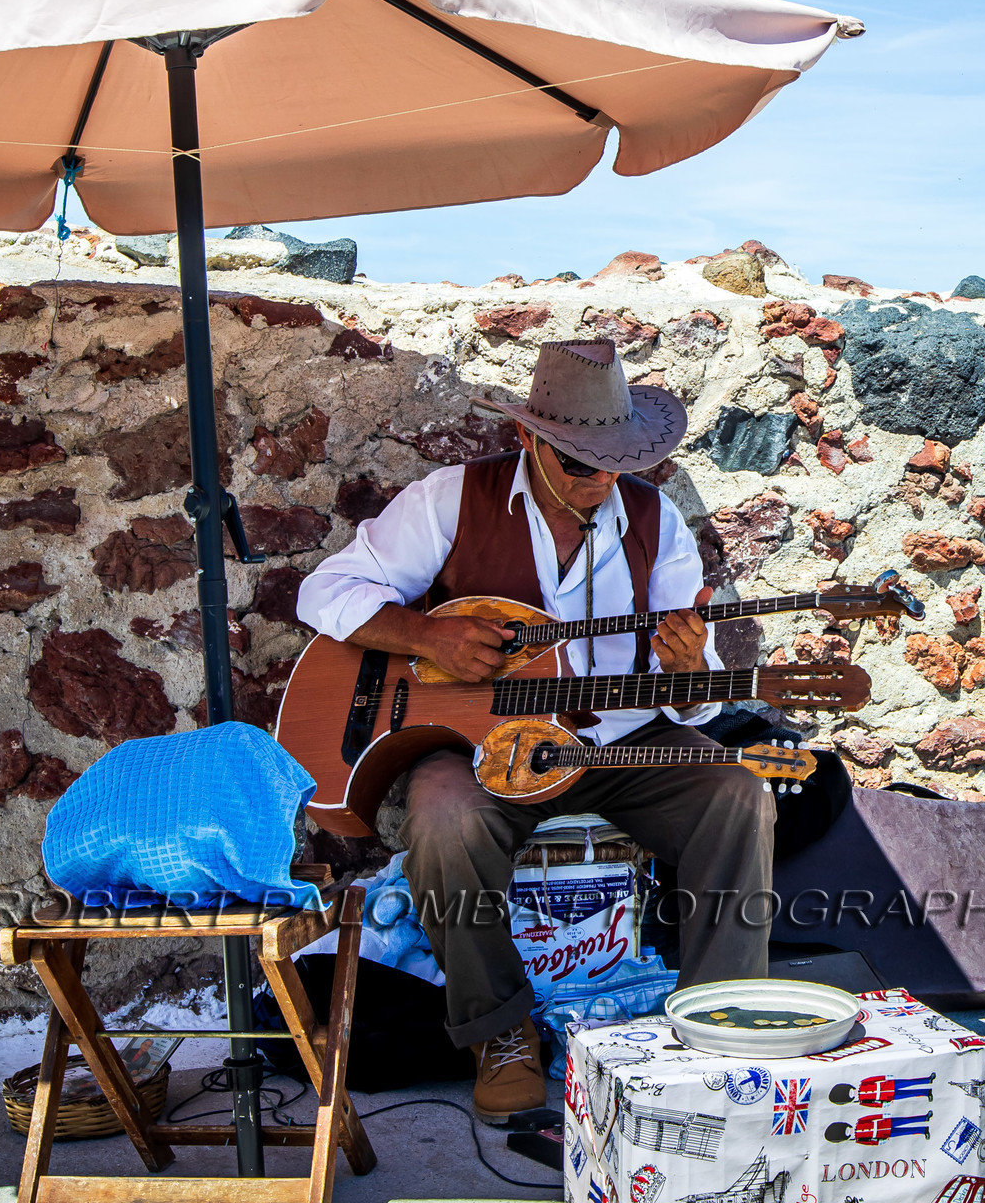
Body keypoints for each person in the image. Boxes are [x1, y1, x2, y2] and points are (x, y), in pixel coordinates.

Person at [297, 338, 774, 1122]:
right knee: (445, 816)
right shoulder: (453, 499)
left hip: (623, 740)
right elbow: (326, 590)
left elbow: (696, 701)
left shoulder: (656, 523)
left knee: (738, 791)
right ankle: (500, 1032)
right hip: (489, 746)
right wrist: (425, 637)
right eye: (583, 463)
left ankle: (718, 1022)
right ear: (530, 438)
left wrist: (690, 670)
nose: (602, 482)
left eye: (617, 462)